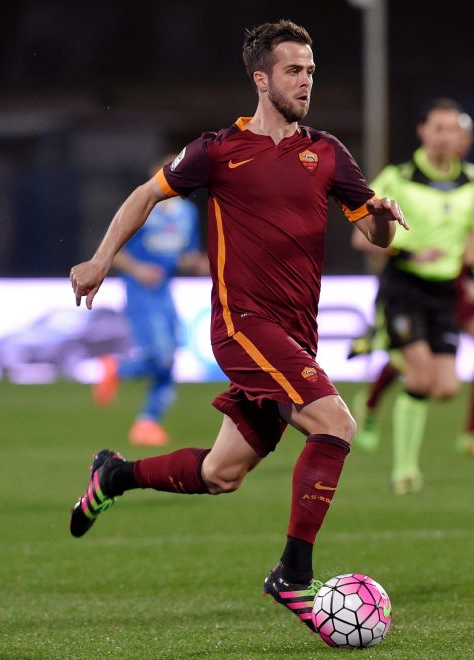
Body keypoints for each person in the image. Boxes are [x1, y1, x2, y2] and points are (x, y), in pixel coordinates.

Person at [66, 20, 406, 632]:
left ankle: (114, 473)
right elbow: (146, 195)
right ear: (261, 78)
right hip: (244, 325)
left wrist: (381, 216)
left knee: (221, 475)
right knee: (335, 424)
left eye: (310, 70)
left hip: (296, 335)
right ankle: (294, 576)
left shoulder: (327, 153)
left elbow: (373, 236)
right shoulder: (218, 150)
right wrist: (101, 260)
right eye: (292, 70)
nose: (305, 81)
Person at [350, 99, 474, 495]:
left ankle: (372, 394)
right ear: (422, 131)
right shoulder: (398, 178)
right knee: (419, 375)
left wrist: (473, 270)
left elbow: (472, 232)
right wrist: (408, 250)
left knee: (445, 387)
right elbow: (360, 236)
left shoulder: (471, 179)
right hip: (405, 286)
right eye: (438, 128)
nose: (445, 136)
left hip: (445, 290)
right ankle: (404, 471)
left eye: (452, 129)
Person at [92, 155, 208, 447]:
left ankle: (147, 422)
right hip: (140, 293)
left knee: (169, 362)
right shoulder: (143, 208)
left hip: (165, 292)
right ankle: (118, 370)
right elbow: (114, 251)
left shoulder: (187, 213)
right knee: (163, 355)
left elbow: (185, 255)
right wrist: (138, 269)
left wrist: (200, 264)